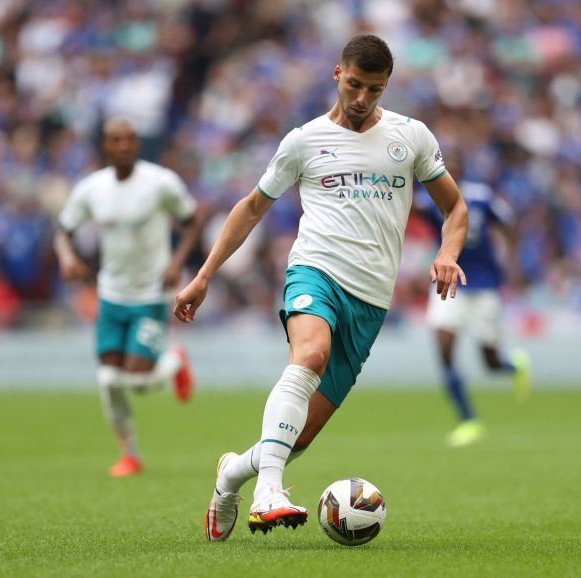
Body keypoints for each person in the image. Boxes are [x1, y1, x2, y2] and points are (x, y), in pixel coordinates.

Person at [173, 34, 468, 540]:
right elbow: (250, 208)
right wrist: (203, 275)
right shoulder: (303, 140)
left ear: (386, 86)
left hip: (371, 298)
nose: (361, 99)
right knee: (309, 354)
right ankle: (269, 492)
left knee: (300, 436)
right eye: (354, 85)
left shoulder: (411, 137)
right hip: (315, 270)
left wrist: (446, 254)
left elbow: (455, 209)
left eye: (373, 90)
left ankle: (230, 477)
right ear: (337, 74)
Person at [55, 118, 205, 477]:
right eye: (115, 140)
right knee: (108, 380)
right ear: (105, 146)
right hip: (111, 295)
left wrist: (177, 263)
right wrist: (67, 257)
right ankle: (130, 454)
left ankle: (173, 361)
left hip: (152, 294)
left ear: (137, 144)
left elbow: (194, 219)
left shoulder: (160, 183)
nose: (123, 146)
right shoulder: (92, 189)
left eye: (129, 140)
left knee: (136, 381)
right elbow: (63, 230)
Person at [416, 152, 531, 447]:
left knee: (489, 362)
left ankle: (514, 366)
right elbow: (409, 210)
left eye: (453, 166)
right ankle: (468, 420)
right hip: (447, 280)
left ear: (462, 169)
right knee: (444, 350)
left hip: (484, 286)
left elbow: (509, 224)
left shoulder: (482, 196)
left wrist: (514, 266)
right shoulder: (431, 197)